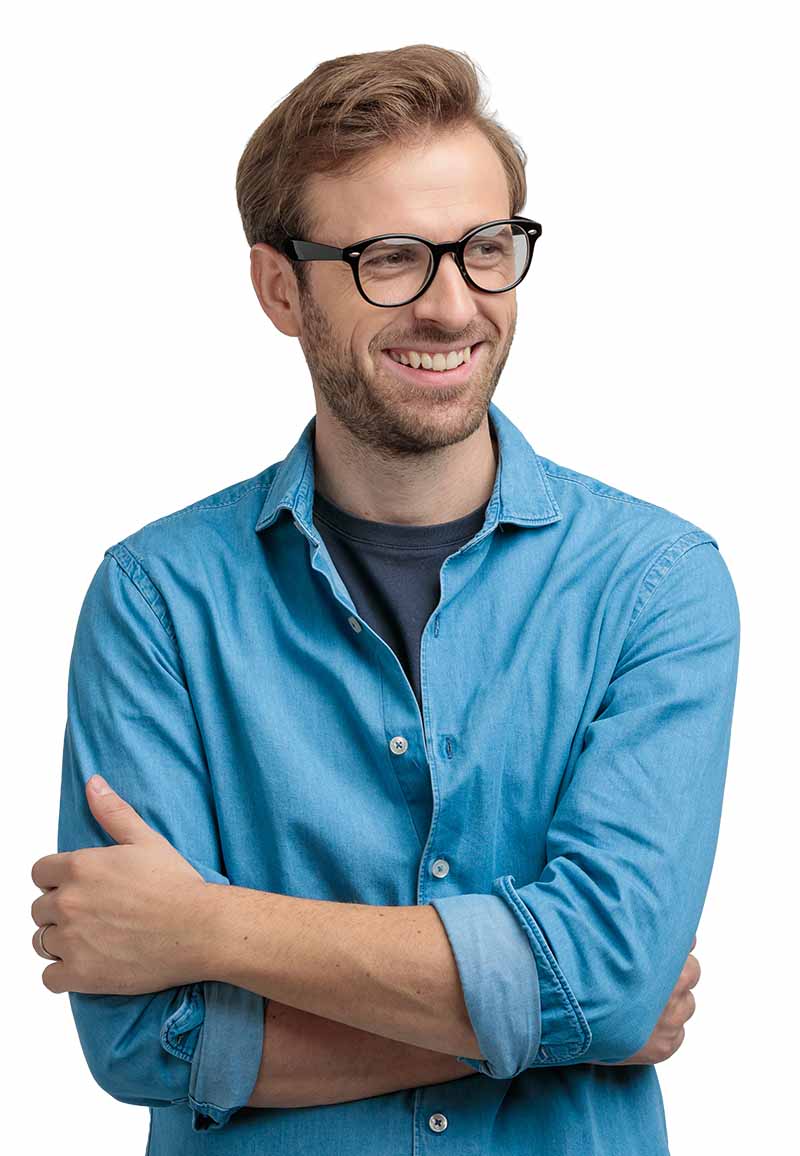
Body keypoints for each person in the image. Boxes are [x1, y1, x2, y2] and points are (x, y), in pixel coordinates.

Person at [40, 44, 738, 1155]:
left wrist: (206, 926)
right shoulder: (156, 600)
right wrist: (557, 1012)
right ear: (281, 288)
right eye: (390, 259)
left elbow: (610, 980)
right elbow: (141, 1038)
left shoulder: (653, 583)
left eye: (485, 249)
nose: (452, 305)